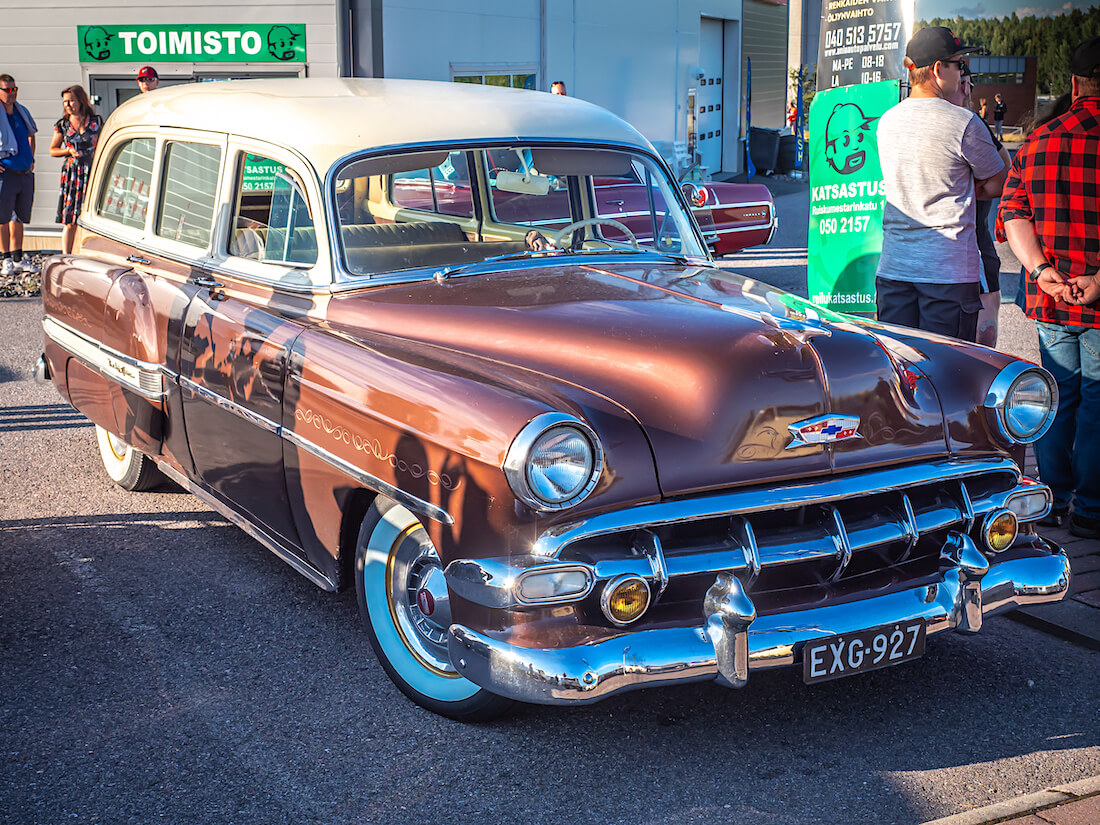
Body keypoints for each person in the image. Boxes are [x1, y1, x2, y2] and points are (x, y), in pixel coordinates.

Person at [996, 36, 1100, 539]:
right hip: (1097, 301)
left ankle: (1055, 496)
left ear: (1076, 83)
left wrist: (1042, 272)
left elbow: (1012, 213)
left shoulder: (1040, 139)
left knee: (1061, 395)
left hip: (1051, 297)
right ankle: (1093, 508)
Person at [874, 26, 1007, 342]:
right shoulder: (963, 122)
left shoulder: (886, 120)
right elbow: (999, 181)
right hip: (947, 272)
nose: (963, 73)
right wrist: (959, 186)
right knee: (948, 370)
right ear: (937, 69)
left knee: (898, 363)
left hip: (894, 267)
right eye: (959, 64)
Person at [947, 63, 1012, 347]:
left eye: (968, 83)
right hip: (944, 254)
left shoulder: (971, 122)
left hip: (973, 246)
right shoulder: (957, 120)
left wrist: (971, 192)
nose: (966, 89)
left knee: (981, 338)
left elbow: (1005, 168)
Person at [49, 85, 102, 254]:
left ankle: (91, 253)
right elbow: (53, 149)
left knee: (93, 214)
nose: (68, 105)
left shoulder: (96, 121)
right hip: (73, 174)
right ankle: (67, 255)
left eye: (71, 100)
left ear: (81, 100)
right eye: (65, 102)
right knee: (70, 217)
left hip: (92, 171)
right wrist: (67, 151)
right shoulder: (62, 125)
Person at [0, 74, 38, 277]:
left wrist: (32, 158)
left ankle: (17, 257)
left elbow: (32, 134)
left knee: (20, 217)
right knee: (3, 218)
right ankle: (5, 258)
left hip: (24, 172)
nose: (11, 93)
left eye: (14, 89)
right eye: (7, 90)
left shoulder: (21, 112)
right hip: (5, 173)